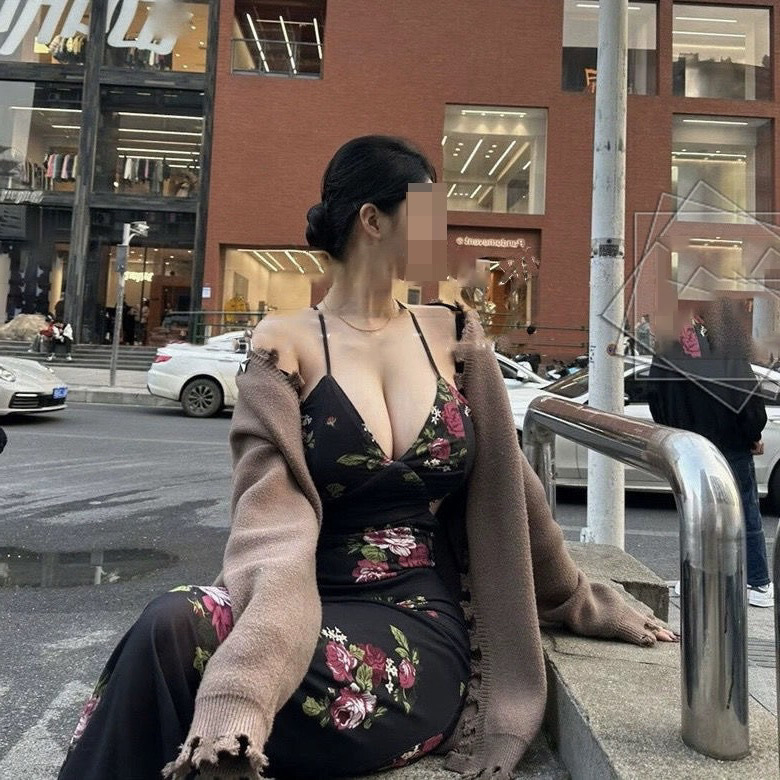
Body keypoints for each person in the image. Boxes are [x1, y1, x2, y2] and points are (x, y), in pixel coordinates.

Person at [57, 136, 675, 780]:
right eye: (428, 216)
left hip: (415, 633)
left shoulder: (453, 334)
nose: (442, 235)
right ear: (373, 220)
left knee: (172, 693)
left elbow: (512, 494)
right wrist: (242, 685)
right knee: (168, 627)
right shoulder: (284, 345)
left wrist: (581, 600)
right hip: (296, 608)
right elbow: (268, 524)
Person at [648, 298, 772, 608]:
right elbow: (747, 398)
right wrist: (752, 435)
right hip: (730, 444)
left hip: (689, 447)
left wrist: (673, 432)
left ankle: (697, 577)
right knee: (744, 511)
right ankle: (757, 581)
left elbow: (656, 397)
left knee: (696, 513)